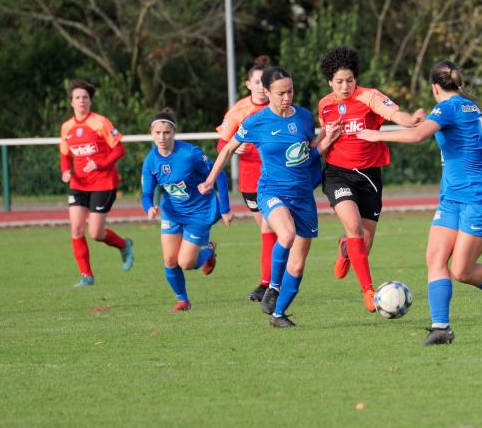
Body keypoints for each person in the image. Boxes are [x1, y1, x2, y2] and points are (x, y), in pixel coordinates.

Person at [358, 60, 482, 346]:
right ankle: (441, 327)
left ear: (435, 88)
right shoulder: (472, 107)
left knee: (461, 270)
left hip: (479, 197)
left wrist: (377, 135)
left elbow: (419, 134)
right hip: (452, 197)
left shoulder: (447, 107)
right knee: (434, 258)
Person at [200, 66, 340, 328]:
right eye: (280, 93)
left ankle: (278, 314)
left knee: (297, 266)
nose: (287, 97)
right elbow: (228, 149)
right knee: (285, 234)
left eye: (290, 91)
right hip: (271, 191)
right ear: (267, 92)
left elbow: (306, 155)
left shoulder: (304, 118)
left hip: (303, 196)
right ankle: (272, 287)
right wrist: (209, 180)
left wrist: (326, 141)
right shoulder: (256, 121)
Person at [317, 46, 425, 312]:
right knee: (353, 226)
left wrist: (409, 120)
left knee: (364, 241)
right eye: (339, 82)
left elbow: (393, 114)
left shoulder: (369, 97)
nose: (345, 86)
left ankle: (346, 249)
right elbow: (323, 137)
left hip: (369, 176)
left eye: (350, 80)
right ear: (330, 82)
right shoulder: (325, 105)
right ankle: (368, 291)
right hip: (336, 173)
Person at [141, 108, 232, 312]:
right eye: (157, 133)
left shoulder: (190, 154)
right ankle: (183, 300)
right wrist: (149, 207)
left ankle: (208, 250)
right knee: (169, 260)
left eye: (166, 132)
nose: (162, 137)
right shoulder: (150, 161)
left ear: (174, 133)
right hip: (172, 212)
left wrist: (225, 208)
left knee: (186, 263)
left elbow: (221, 175)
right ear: (152, 133)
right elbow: (146, 193)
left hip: (199, 212)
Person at [59, 79, 134, 288]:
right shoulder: (66, 127)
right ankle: (87, 276)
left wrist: (99, 164)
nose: (81, 100)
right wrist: (65, 171)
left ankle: (124, 245)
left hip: (103, 183)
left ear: (90, 101)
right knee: (76, 228)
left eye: (85, 97)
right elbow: (65, 155)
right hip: (78, 184)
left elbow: (119, 149)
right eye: (77, 97)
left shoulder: (101, 122)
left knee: (96, 234)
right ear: (72, 102)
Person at [216, 56, 278, 303]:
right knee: (267, 231)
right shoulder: (239, 111)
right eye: (257, 82)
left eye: (265, 82)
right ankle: (273, 279)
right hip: (251, 180)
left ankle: (267, 284)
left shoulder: (278, 106)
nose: (262, 87)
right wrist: (234, 148)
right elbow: (222, 143)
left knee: (269, 227)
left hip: (276, 178)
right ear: (248, 84)